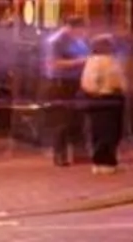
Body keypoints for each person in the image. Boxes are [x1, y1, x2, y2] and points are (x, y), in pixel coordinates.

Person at [43, 19, 90, 166]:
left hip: (76, 82)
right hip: (60, 83)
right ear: (69, 27)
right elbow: (53, 63)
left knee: (75, 118)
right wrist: (81, 61)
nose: (81, 33)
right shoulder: (56, 41)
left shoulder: (77, 40)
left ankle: (77, 153)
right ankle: (59, 154)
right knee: (62, 120)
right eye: (79, 30)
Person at [79, 34, 127, 172]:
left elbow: (88, 83)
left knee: (100, 132)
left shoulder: (92, 61)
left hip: (99, 99)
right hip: (108, 98)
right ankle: (106, 163)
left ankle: (102, 162)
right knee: (109, 132)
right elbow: (116, 80)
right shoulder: (106, 61)